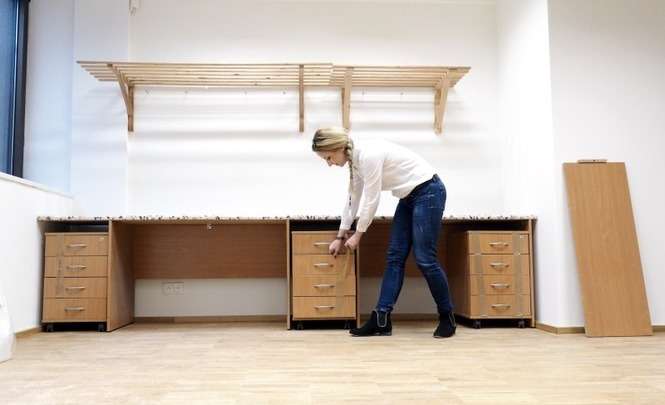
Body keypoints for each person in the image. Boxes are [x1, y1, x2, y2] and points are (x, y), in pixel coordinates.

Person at [311, 127, 456, 338]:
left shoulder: (368, 155)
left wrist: (358, 235)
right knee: (395, 257)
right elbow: (353, 200)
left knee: (425, 258)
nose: (329, 163)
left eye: (328, 157)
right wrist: (340, 236)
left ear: (338, 147)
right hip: (408, 197)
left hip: (428, 191)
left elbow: (371, 200)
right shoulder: (355, 162)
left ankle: (447, 317)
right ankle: (381, 320)